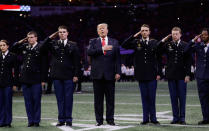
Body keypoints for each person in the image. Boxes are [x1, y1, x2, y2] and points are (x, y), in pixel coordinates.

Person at [122, 24, 161, 125]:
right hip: (141, 75)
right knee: (144, 98)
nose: (144, 32)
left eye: (146, 30)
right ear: (140, 32)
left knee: (152, 98)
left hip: (152, 74)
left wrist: (159, 73)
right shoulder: (136, 42)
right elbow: (124, 45)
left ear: (149, 32)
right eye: (142, 31)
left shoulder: (154, 42)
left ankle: (153, 118)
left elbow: (159, 58)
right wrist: (134, 35)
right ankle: (145, 119)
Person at [42, 25, 80, 127]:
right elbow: (42, 46)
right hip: (57, 75)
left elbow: (77, 62)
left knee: (68, 98)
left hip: (69, 76)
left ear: (67, 33)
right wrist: (50, 37)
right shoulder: (53, 43)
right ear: (57, 34)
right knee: (60, 99)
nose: (62, 33)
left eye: (64, 32)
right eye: (60, 32)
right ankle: (61, 119)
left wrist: (76, 75)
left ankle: (68, 119)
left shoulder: (73, 45)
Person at [11, 31, 48, 127]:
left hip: (36, 78)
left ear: (36, 38)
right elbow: (13, 48)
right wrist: (21, 41)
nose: (30, 39)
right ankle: (30, 120)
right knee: (27, 101)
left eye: (32, 37)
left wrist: (43, 79)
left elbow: (44, 65)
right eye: (28, 38)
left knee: (36, 101)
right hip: (25, 78)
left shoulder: (41, 48)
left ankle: (36, 121)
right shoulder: (25, 46)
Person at [87, 23, 121, 126]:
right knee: (98, 100)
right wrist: (102, 49)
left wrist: (118, 72)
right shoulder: (93, 41)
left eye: (103, 28)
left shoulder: (114, 42)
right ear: (97, 31)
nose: (102, 30)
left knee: (110, 99)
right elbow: (89, 52)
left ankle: (110, 120)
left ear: (107, 30)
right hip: (97, 75)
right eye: (100, 29)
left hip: (110, 75)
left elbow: (117, 59)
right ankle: (99, 120)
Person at [159, 27, 191, 125]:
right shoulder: (168, 44)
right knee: (173, 98)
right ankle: (175, 118)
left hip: (182, 75)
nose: (175, 35)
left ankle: (182, 118)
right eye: (173, 34)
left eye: (176, 34)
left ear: (180, 34)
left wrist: (188, 74)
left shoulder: (186, 45)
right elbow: (157, 49)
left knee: (182, 97)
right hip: (171, 75)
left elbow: (188, 61)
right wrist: (163, 40)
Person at [184, 28, 209, 125]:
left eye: (205, 35)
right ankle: (206, 118)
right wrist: (192, 40)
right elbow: (186, 50)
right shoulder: (198, 45)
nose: (203, 37)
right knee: (203, 99)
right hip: (201, 77)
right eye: (202, 35)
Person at [0, 40, 18, 127]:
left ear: (7, 46)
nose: (2, 47)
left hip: (8, 83)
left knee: (7, 103)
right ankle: (1, 121)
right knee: (0, 103)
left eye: (3, 45)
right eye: (0, 45)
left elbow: (16, 70)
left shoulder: (13, 56)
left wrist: (15, 84)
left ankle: (8, 122)